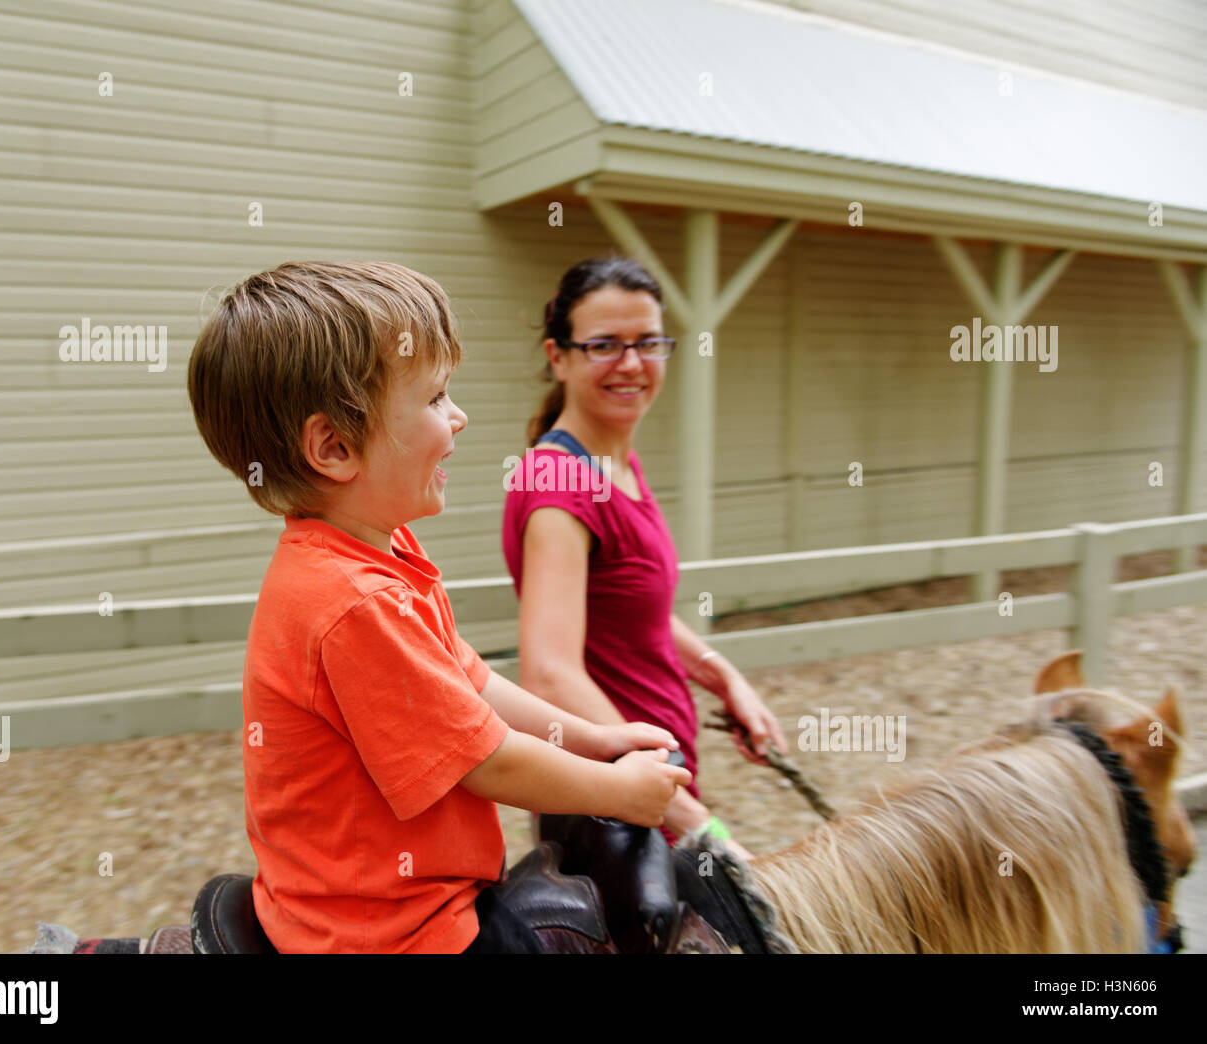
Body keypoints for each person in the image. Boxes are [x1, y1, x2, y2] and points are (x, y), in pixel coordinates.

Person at [186, 260, 691, 954]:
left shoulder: (380, 552)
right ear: (334, 447)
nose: (459, 417)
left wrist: (593, 740)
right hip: (391, 928)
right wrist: (617, 795)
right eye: (433, 399)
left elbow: (472, 684)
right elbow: (485, 761)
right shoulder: (354, 603)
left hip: (410, 895)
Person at [501, 256, 788, 859]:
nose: (631, 364)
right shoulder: (561, 486)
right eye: (604, 345)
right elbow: (550, 674)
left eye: (648, 343)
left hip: (650, 789)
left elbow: (643, 612)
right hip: (615, 807)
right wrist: (689, 817)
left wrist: (724, 678)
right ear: (560, 357)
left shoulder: (615, 462)